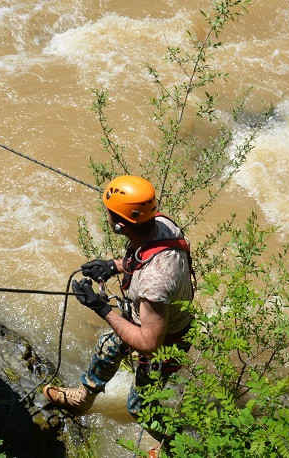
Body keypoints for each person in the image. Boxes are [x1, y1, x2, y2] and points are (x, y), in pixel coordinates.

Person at [43, 175, 194, 444]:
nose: (107, 217)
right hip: (146, 319)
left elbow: (149, 343)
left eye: (110, 214)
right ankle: (82, 400)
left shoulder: (154, 283)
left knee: (141, 408)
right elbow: (148, 253)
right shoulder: (162, 224)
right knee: (108, 344)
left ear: (120, 225)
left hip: (165, 341)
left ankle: (180, 447)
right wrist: (114, 266)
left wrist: (102, 309)